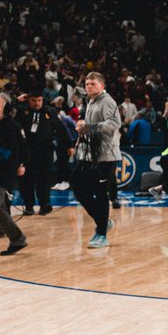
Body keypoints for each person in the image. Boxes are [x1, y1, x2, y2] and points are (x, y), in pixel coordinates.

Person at [72, 71, 121, 248]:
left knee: (101, 193)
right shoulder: (90, 101)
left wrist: (89, 128)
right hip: (90, 154)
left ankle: (101, 234)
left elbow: (115, 123)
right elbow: (86, 121)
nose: (88, 86)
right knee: (77, 185)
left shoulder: (107, 101)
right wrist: (82, 124)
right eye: (86, 84)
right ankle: (103, 221)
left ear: (102, 85)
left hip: (106, 156)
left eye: (92, 84)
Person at [18, 89, 73, 216]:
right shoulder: (21, 111)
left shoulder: (50, 111)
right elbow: (7, 115)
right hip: (26, 152)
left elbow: (61, 129)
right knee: (26, 180)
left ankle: (45, 204)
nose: (37, 103)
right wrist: (17, 100)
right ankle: (29, 206)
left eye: (39, 100)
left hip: (45, 151)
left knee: (44, 179)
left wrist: (69, 145)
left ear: (43, 100)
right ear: (28, 100)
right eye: (33, 101)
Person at [0, 91, 27, 256]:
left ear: (6, 108)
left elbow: (13, 151)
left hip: (3, 173)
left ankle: (17, 238)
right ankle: (16, 238)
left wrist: (22, 164)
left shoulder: (12, 127)